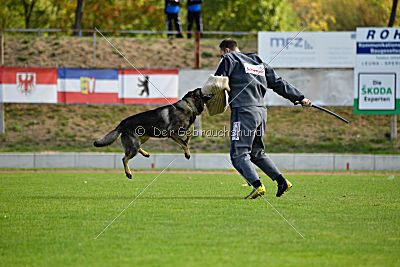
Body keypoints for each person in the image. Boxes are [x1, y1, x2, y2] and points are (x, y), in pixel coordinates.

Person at [215, 38, 312, 199]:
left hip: (243, 111)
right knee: (256, 152)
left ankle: (257, 185)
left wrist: (204, 100)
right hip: (260, 112)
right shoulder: (258, 61)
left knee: (238, 154)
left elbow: (217, 81)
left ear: (226, 51)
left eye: (221, 55)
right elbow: (279, 83)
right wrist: (300, 98)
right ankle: (282, 181)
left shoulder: (229, 59)